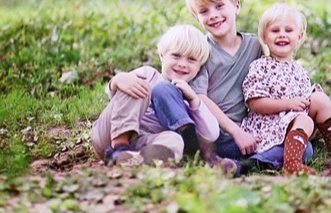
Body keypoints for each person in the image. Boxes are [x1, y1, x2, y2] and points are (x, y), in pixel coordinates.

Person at [110, 0, 263, 164]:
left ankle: (240, 166)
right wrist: (236, 131)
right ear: (196, 17)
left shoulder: (256, 46)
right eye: (204, 11)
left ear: (236, 6)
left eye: (219, 6)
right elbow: (199, 97)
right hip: (203, 132)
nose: (213, 15)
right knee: (163, 89)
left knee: (303, 149)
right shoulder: (200, 52)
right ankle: (198, 152)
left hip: (238, 136)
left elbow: (273, 79)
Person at [240, 3, 331, 175]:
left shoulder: (300, 71)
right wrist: (288, 104)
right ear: (264, 37)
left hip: (295, 123)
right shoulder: (260, 66)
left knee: (320, 99)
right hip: (269, 126)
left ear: (299, 37)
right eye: (275, 31)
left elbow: (306, 105)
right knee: (304, 120)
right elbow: (256, 103)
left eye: (288, 30)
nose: (282, 35)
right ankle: (291, 164)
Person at [91, 25, 230, 169]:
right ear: (162, 56)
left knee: (175, 140)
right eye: (176, 56)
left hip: (141, 142)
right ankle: (119, 146)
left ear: (199, 67)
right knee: (137, 85)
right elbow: (117, 97)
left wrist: (194, 100)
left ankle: (137, 159)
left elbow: (212, 133)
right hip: (109, 134)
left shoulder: (185, 100)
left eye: (191, 60)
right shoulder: (148, 74)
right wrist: (117, 80)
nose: (182, 64)